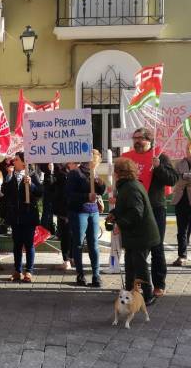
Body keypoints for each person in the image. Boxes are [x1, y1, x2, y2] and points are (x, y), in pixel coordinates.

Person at [121, 127, 178, 298]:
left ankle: (159, 284)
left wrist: (159, 167)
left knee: (156, 247)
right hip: (134, 209)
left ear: (149, 140)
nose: (136, 141)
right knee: (134, 250)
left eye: (140, 138)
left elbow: (173, 179)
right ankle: (135, 285)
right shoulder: (128, 157)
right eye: (134, 138)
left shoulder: (160, 156)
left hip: (155, 208)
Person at [107, 157, 159, 305]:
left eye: (115, 171)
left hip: (141, 235)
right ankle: (129, 294)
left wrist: (119, 222)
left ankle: (148, 296)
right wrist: (115, 213)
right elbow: (126, 207)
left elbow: (136, 212)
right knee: (130, 265)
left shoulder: (131, 187)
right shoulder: (128, 186)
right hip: (136, 234)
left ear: (119, 172)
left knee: (140, 266)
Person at [65, 150, 106, 287]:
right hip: (79, 212)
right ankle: (80, 274)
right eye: (95, 162)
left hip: (93, 211)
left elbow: (102, 190)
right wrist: (86, 196)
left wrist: (98, 180)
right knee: (78, 243)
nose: (96, 165)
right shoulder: (75, 173)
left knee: (93, 243)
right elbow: (69, 195)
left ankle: (96, 275)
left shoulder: (94, 173)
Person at [2, 152, 43, 283]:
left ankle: (29, 271)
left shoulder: (31, 174)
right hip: (15, 216)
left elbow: (40, 193)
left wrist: (31, 185)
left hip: (29, 215)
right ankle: (17, 270)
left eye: (16, 159)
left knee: (29, 244)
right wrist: (8, 177)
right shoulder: (11, 176)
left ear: (23, 162)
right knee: (17, 244)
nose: (14, 161)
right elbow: (5, 192)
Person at [51, 163, 73, 270]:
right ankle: (68, 259)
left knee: (70, 236)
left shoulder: (80, 172)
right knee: (66, 236)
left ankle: (70, 259)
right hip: (63, 210)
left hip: (71, 210)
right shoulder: (61, 173)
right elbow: (52, 187)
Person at [39, 163, 56, 235]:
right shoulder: (46, 163)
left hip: (56, 188)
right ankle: (44, 231)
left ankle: (51, 229)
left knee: (52, 211)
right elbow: (41, 166)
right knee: (47, 211)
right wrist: (49, 171)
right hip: (48, 188)